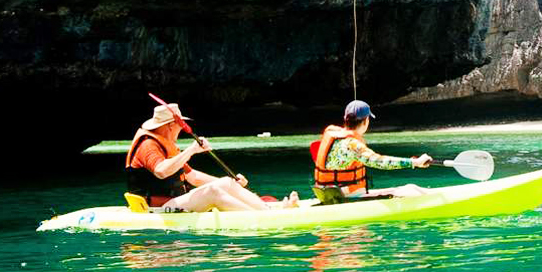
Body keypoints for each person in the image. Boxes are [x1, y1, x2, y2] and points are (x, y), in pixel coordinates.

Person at [126, 104, 296, 212]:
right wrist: (191, 150)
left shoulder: (166, 144)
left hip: (174, 201)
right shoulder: (148, 145)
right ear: (171, 126)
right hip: (155, 208)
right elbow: (161, 171)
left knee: (226, 182)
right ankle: (264, 219)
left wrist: (230, 183)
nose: (179, 131)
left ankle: (269, 211)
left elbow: (193, 177)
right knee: (213, 192)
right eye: (178, 126)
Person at [312, 100, 437, 204]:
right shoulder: (352, 145)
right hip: (345, 199)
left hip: (328, 195)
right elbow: (379, 162)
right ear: (366, 121)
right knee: (410, 190)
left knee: (412, 187)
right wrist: (414, 162)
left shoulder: (333, 137)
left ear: (345, 119)